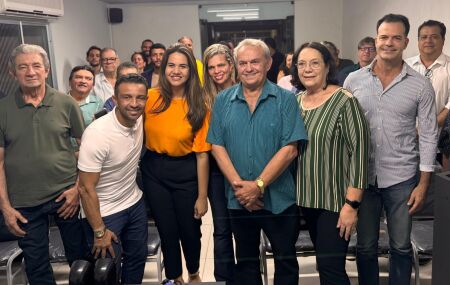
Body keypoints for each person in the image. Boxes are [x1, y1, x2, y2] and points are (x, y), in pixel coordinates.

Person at [344, 14, 438, 285]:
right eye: (384, 37)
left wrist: (423, 183)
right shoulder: (353, 81)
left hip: (402, 179)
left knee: (399, 246)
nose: (389, 43)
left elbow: (430, 135)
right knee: (364, 247)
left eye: (396, 37)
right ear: (376, 40)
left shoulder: (420, 86)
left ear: (406, 42)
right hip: (363, 178)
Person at [207, 39, 308, 285]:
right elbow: (217, 145)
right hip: (238, 199)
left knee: (285, 259)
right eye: (243, 63)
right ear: (235, 66)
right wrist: (241, 187)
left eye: (255, 62)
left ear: (268, 63)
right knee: (246, 262)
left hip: (280, 199)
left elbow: (290, 149)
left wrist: (258, 185)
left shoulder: (286, 99)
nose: (249, 68)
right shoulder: (223, 101)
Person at [0, 44, 86, 284]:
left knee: (80, 259)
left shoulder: (66, 104)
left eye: (36, 66)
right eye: (23, 67)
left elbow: (88, 151)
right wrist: (6, 208)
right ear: (12, 72)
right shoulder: (3, 109)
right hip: (24, 204)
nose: (30, 72)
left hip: (65, 195)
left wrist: (78, 189)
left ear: (46, 70)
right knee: (36, 267)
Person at [292, 42, 369, 285]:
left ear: (328, 66)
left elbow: (360, 153)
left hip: (335, 203)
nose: (308, 69)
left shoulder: (344, 101)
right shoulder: (296, 102)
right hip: (305, 200)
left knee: (331, 268)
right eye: (302, 64)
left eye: (315, 63)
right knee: (323, 264)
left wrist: (352, 205)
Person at [140, 44, 210, 284]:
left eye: (183, 66)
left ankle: (193, 272)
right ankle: (174, 277)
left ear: (191, 71)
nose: (176, 71)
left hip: (186, 171)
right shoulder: (149, 97)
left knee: (190, 230)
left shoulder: (200, 105)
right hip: (154, 170)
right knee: (167, 230)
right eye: (171, 65)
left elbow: (202, 155)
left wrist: (202, 196)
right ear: (163, 67)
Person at [78, 74, 149, 284]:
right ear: (115, 100)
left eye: (140, 98)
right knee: (107, 271)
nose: (134, 104)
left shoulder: (139, 118)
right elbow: (85, 188)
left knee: (137, 260)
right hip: (105, 212)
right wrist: (99, 231)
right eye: (127, 97)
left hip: (134, 203)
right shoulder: (98, 134)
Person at [202, 43, 236, 284]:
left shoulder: (245, 90)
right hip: (216, 172)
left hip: (245, 170)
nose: (216, 71)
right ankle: (223, 278)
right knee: (222, 229)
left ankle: (247, 276)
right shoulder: (204, 98)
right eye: (211, 67)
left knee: (246, 230)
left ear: (230, 65)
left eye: (221, 65)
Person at [406, 20, 450, 170]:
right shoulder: (405, 66)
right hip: (404, 142)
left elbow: (449, 108)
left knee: (436, 191)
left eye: (434, 37)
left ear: (443, 40)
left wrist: (424, 129)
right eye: (423, 37)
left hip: (439, 145)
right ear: (418, 41)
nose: (428, 41)